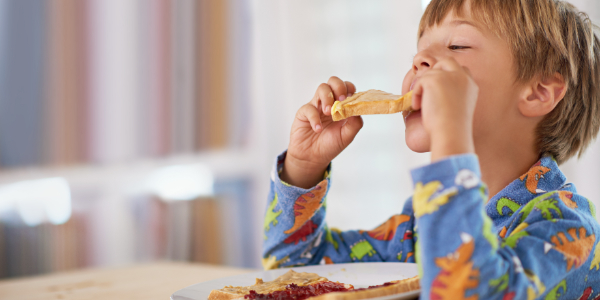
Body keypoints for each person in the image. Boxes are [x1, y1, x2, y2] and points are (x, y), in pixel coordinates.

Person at [262, 0, 600, 298]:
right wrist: (303, 167)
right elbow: (290, 273)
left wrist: (450, 134)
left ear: (538, 93)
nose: (419, 61)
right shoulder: (413, 231)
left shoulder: (569, 230)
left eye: (457, 46)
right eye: (417, 54)